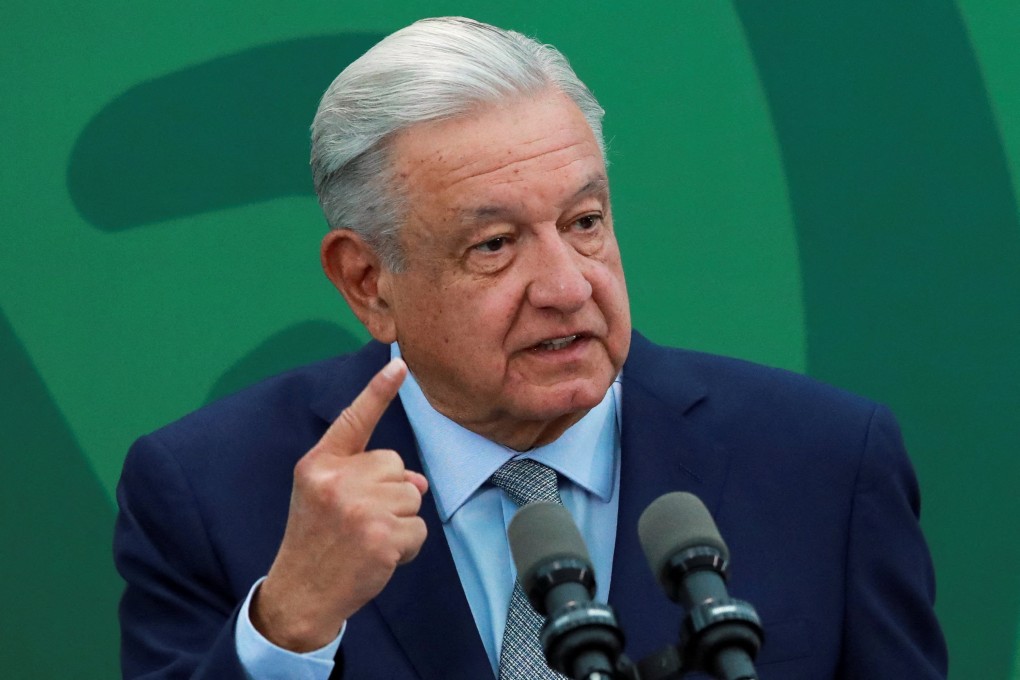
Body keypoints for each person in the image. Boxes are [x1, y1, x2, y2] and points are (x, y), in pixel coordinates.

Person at [114, 16, 948, 680]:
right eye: (495, 245)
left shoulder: (827, 464)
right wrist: (287, 627)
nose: (567, 286)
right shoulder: (209, 493)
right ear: (368, 282)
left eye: (584, 222)